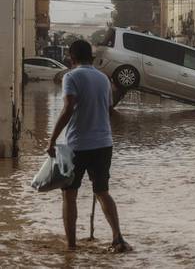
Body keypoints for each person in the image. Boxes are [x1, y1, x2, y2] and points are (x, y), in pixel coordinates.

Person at [46, 40, 131, 253]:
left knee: (69, 195)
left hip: (78, 145)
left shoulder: (71, 76)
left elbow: (67, 109)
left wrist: (52, 139)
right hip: (104, 144)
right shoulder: (103, 78)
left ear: (71, 58)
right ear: (91, 57)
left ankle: (72, 247)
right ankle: (118, 238)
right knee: (103, 191)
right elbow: (109, 108)